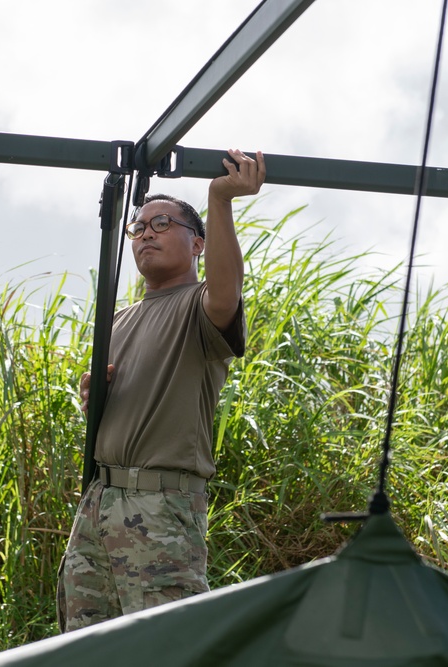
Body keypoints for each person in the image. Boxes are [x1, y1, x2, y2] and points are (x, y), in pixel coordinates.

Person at [57, 148, 267, 632]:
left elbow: (226, 289)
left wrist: (220, 200)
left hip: (160, 509)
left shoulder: (200, 307)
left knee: (168, 646)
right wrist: (96, 400)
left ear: (197, 244)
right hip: (99, 502)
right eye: (139, 228)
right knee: (84, 647)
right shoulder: (119, 320)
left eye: (162, 223)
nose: (146, 233)